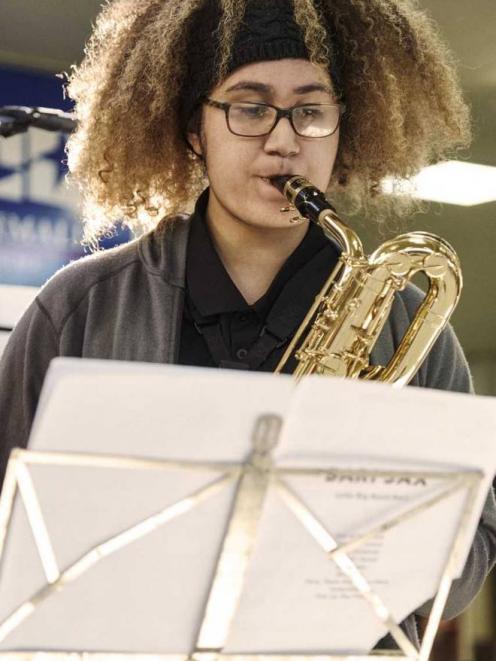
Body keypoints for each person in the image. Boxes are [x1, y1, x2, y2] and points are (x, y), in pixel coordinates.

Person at [0, 0, 494, 651]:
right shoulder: (77, 308)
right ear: (193, 128)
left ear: (347, 126)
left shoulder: (410, 319)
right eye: (250, 106)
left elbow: (475, 539)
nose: (285, 139)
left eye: (311, 111)